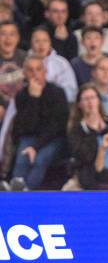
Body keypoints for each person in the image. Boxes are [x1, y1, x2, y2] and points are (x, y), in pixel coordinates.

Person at [11, 55, 68, 190]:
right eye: (30, 70)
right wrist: (34, 99)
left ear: (45, 71)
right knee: (21, 159)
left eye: (38, 69)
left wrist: (36, 147)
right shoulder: (22, 95)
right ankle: (15, 190)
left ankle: (27, 192)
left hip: (53, 138)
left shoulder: (57, 92)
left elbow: (57, 126)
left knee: (40, 159)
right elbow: (26, 126)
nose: (35, 74)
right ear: (24, 73)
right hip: (30, 136)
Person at [65, 84, 108, 190]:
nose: (90, 102)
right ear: (79, 104)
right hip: (90, 173)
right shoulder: (76, 129)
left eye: (93, 97)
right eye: (86, 99)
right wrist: (93, 129)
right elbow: (85, 157)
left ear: (98, 100)